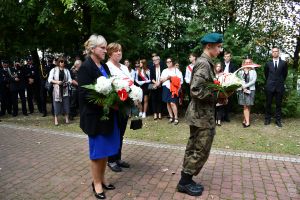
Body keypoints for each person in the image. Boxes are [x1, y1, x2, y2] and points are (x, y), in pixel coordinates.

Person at [178, 33, 224, 196]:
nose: (220, 49)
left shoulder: (205, 62)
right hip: (201, 116)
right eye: (218, 46)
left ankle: (186, 179)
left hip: (200, 115)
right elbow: (196, 90)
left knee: (194, 147)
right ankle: (184, 182)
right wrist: (218, 96)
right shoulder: (204, 63)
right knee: (200, 149)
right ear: (209, 46)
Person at [78, 35, 119, 199]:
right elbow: (85, 95)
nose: (105, 50)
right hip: (94, 117)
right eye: (102, 47)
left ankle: (102, 179)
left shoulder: (104, 66)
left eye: (105, 47)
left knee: (106, 150)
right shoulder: (85, 68)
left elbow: (110, 87)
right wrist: (106, 103)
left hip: (107, 116)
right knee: (97, 153)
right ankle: (96, 184)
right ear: (92, 49)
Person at [106, 43, 132, 172]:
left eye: (120, 50)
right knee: (114, 132)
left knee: (121, 132)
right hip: (115, 104)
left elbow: (130, 82)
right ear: (110, 53)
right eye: (116, 51)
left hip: (125, 103)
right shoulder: (107, 67)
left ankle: (118, 158)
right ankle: (111, 160)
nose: (119, 53)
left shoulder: (124, 67)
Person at [264, 47, 288, 127]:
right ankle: (267, 119)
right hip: (270, 86)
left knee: (278, 104)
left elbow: (285, 75)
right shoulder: (268, 63)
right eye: (273, 51)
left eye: (276, 51)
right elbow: (266, 74)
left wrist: (279, 81)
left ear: (279, 53)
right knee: (268, 103)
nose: (275, 53)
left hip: (279, 86)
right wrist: (270, 81)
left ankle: (278, 120)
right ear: (272, 53)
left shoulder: (284, 63)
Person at [48, 57, 72, 126]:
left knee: (66, 103)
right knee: (56, 104)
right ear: (58, 62)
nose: (62, 63)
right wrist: (57, 82)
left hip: (65, 88)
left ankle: (66, 118)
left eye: (63, 62)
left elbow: (70, 79)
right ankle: (56, 119)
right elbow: (49, 79)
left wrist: (67, 82)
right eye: (61, 61)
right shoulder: (54, 70)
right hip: (57, 89)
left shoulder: (67, 70)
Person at [160, 57, 183, 125]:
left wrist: (178, 88)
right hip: (166, 87)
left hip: (174, 88)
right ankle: (171, 117)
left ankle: (176, 117)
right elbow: (161, 80)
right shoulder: (164, 70)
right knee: (168, 103)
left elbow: (180, 81)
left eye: (169, 61)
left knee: (173, 103)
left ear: (172, 62)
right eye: (167, 62)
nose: (168, 63)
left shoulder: (176, 70)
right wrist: (167, 78)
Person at [237, 58, 257, 128]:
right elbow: (239, 80)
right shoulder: (240, 71)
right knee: (245, 106)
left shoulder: (253, 71)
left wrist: (245, 86)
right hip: (242, 90)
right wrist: (243, 86)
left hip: (250, 90)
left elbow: (253, 81)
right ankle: (247, 122)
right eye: (246, 62)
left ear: (251, 63)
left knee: (248, 105)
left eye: (249, 62)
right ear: (244, 63)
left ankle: (245, 120)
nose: (248, 63)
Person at [221, 51, 236, 122]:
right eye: (225, 56)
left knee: (228, 100)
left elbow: (234, 75)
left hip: (229, 84)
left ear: (230, 57)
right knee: (221, 99)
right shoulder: (220, 64)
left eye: (228, 56)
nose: (226, 58)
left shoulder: (233, 65)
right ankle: (221, 115)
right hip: (221, 84)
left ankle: (227, 116)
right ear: (224, 57)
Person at [150, 55, 164, 120]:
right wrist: (156, 83)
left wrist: (159, 83)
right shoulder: (152, 68)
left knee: (160, 100)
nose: (155, 61)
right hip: (154, 86)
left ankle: (160, 113)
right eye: (153, 60)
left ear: (159, 60)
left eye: (156, 60)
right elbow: (151, 78)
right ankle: (155, 113)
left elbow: (163, 76)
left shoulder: (163, 67)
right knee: (154, 99)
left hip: (161, 85)